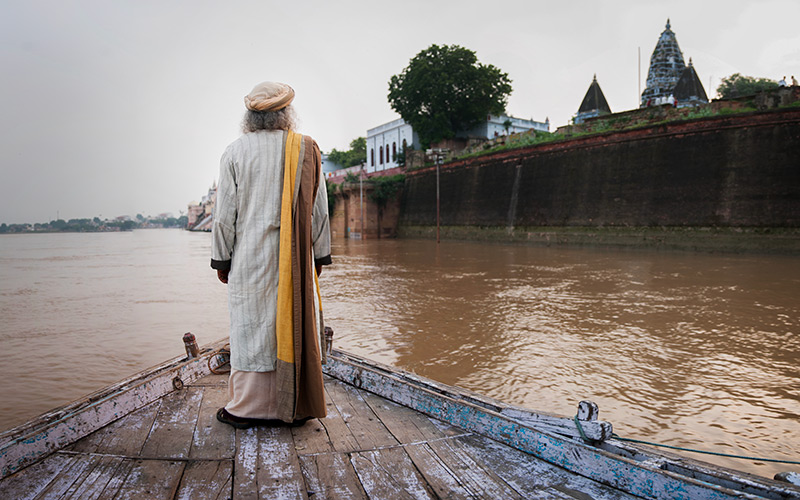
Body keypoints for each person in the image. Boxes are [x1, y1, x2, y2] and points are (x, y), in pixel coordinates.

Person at [211, 81, 332, 429]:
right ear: (287, 114)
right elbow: (319, 212)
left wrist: (222, 261)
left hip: (248, 261)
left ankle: (246, 408)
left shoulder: (235, 151)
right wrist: (319, 257)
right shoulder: (307, 149)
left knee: (251, 331)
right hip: (296, 262)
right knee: (292, 327)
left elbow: (223, 218)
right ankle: (294, 406)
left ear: (249, 118)